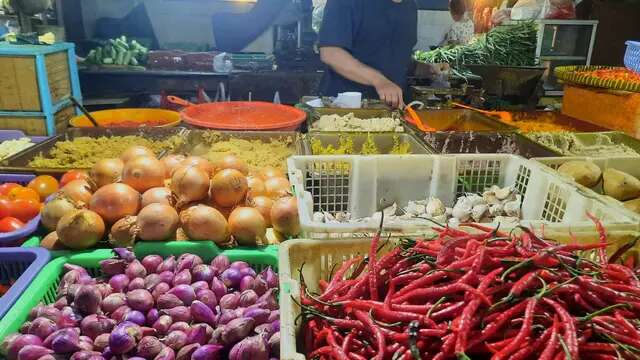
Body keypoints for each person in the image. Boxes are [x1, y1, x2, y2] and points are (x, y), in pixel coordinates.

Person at [317, 0, 418, 108]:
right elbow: (331, 53)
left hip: (393, 108)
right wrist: (380, 81)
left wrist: (418, 67)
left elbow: (392, 53)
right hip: (345, 107)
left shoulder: (410, 6)